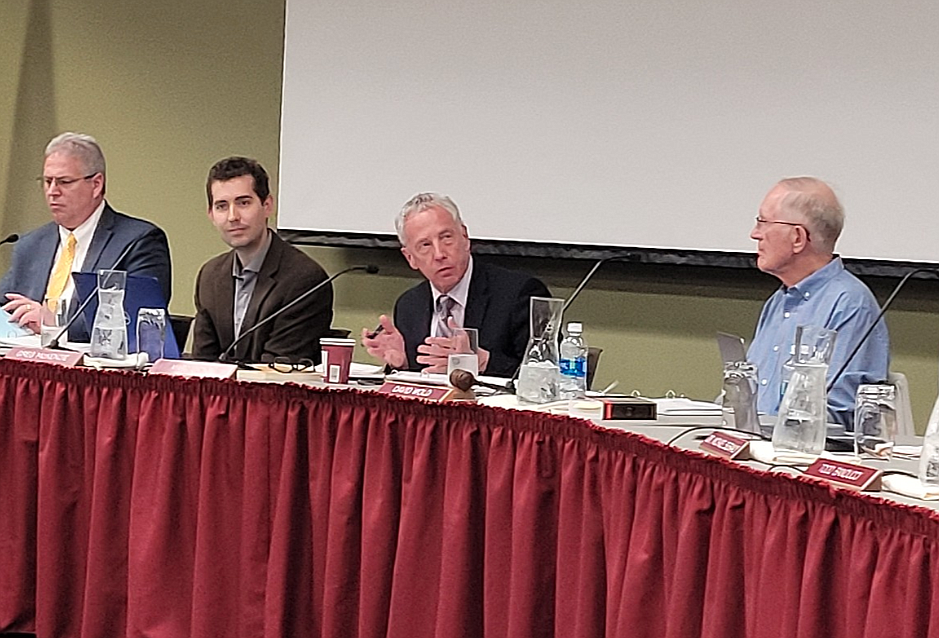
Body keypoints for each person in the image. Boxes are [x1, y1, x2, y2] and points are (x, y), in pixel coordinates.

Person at [747, 177, 889, 429]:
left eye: (763, 222)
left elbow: (840, 411)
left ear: (798, 238)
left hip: (802, 456)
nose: (755, 234)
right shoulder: (778, 301)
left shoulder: (850, 304)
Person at [0, 132, 171, 340]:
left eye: (64, 182)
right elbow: (4, 306)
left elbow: (138, 320)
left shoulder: (138, 241)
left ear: (96, 185)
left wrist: (53, 323)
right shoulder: (30, 245)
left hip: (95, 368)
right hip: (26, 365)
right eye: (47, 181)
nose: (52, 191)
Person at [362, 192, 550, 377]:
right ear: (410, 258)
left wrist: (483, 362)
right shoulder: (409, 305)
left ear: (465, 237)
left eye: (446, 238)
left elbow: (547, 374)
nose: (439, 254)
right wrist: (404, 363)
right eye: (425, 245)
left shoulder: (520, 294)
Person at [192, 156, 332, 363]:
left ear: (267, 205)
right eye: (222, 206)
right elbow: (202, 362)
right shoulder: (209, 275)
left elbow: (280, 367)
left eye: (243, 203)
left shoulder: (304, 279)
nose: (232, 216)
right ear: (211, 214)